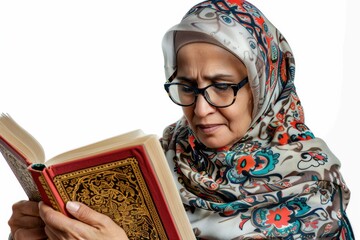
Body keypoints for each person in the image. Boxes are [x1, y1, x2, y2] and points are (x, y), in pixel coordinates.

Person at [7, 0, 354, 239]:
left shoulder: (309, 188)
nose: (200, 110)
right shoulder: (161, 160)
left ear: (264, 87)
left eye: (221, 87)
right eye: (187, 87)